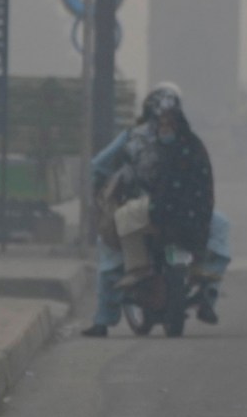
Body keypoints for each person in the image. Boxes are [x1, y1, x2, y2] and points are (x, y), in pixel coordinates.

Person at [83, 84, 222, 336]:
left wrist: (101, 194)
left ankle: (104, 319)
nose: (164, 126)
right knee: (220, 231)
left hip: (153, 209)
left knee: (112, 253)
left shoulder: (134, 137)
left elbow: (99, 166)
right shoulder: (190, 140)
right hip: (188, 211)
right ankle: (208, 296)